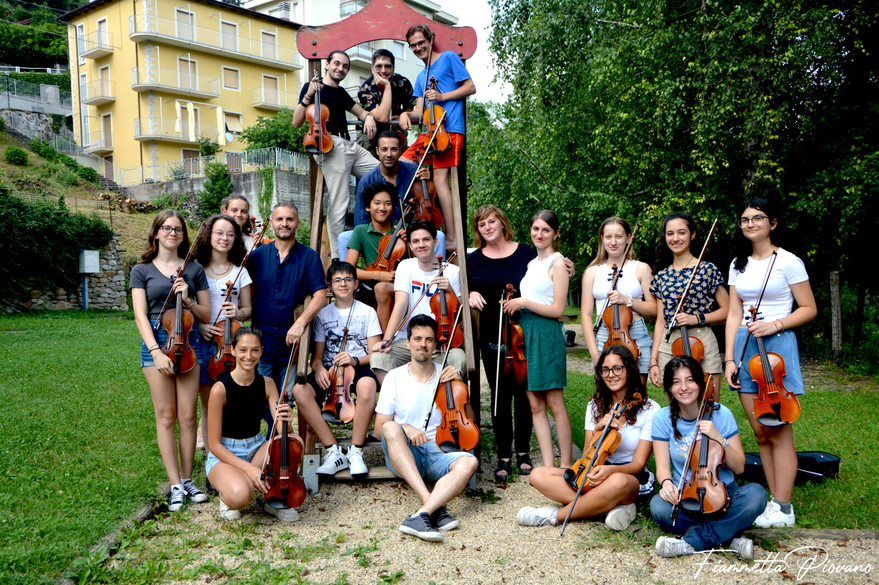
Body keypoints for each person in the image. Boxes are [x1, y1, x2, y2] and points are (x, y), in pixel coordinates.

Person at [724, 198, 817, 528]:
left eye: (757, 218)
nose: (750, 224)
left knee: (780, 430)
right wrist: (729, 359)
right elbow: (735, 313)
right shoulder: (738, 264)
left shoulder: (788, 262)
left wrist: (775, 324)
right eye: (744, 219)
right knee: (761, 431)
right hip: (745, 348)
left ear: (772, 223)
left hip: (777, 350)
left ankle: (784, 506)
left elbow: (808, 308)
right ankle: (774, 503)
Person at [516, 346, 659, 531]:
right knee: (538, 475)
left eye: (617, 368)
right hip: (594, 474)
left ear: (629, 370)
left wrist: (609, 472)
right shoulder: (594, 406)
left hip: (629, 478)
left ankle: (554, 517)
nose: (611, 375)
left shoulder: (649, 409)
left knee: (618, 482)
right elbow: (586, 456)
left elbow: (639, 464)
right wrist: (598, 429)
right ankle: (605, 507)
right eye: (605, 370)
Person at [131, 210, 211, 511]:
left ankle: (189, 480)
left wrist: (188, 297)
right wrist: (154, 351)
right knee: (165, 416)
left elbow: (205, 313)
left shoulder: (194, 269)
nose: (172, 233)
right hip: (156, 345)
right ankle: (175, 484)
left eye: (178, 229)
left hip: (189, 344)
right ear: (156, 233)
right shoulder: (141, 270)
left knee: (188, 416)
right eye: (166, 228)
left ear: (183, 236)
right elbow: (140, 315)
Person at [374, 314, 479, 542]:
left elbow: (468, 420)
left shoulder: (447, 375)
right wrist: (408, 428)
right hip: (405, 454)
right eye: (418, 338)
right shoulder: (394, 378)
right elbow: (379, 428)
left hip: (437, 451)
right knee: (392, 427)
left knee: (470, 461)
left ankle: (422, 514)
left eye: (429, 340)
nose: (423, 344)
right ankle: (432, 503)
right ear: (408, 343)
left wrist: (459, 386)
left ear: (435, 344)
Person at [651, 356, 766, 559]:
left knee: (756, 495)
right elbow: (662, 467)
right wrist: (667, 483)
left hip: (723, 497)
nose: (684, 387)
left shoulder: (722, 415)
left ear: (700, 383)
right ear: (669, 388)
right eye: (676, 382)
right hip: (685, 497)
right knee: (658, 507)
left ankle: (689, 543)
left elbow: (739, 467)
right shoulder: (662, 418)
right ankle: (729, 537)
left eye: (690, 380)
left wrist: (720, 439)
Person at [292, 261, 382, 479]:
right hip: (331, 372)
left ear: (356, 284)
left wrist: (353, 359)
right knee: (299, 391)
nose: (343, 284)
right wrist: (319, 367)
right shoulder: (323, 314)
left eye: (348, 279)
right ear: (329, 287)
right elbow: (318, 356)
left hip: (358, 366)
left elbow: (375, 354)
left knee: (368, 385)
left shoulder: (368, 312)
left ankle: (356, 451)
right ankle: (333, 450)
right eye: (337, 280)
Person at [205, 327, 300, 522]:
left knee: (293, 441)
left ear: (261, 351)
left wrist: (287, 421)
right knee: (242, 497)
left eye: (255, 350)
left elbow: (281, 431)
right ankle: (228, 494)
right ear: (233, 350)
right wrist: (249, 470)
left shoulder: (267, 384)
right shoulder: (219, 389)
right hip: (225, 454)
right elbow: (214, 445)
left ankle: (272, 499)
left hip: (256, 448)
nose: (249, 356)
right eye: (243, 350)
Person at [293, 50, 379, 259]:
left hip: (349, 145)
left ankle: (371, 233)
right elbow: (296, 122)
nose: (341, 68)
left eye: (345, 66)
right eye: (337, 64)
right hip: (329, 146)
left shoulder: (341, 93)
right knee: (339, 204)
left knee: (382, 173)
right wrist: (308, 95)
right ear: (328, 65)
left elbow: (359, 111)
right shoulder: (312, 88)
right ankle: (338, 260)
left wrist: (368, 117)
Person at [247, 201, 328, 424]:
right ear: (272, 223)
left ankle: (284, 446)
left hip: (291, 345)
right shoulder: (257, 257)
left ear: (297, 224)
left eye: (289, 219)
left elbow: (320, 295)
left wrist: (300, 323)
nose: (284, 223)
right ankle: (271, 445)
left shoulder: (309, 257)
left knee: (286, 399)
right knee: (262, 396)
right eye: (280, 219)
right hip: (261, 342)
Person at [503, 210, 572, 468]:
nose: (539, 234)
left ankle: (565, 465)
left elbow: (558, 309)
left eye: (545, 230)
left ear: (555, 233)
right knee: (534, 404)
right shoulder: (533, 263)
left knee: (555, 402)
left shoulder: (558, 263)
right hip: (526, 333)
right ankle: (548, 466)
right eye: (535, 229)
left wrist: (523, 302)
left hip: (546, 332)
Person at [399, 24, 476, 253]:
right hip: (428, 133)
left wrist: (443, 96)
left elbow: (471, 87)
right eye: (413, 45)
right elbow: (418, 113)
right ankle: (425, 212)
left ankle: (452, 237)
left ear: (430, 40)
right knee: (403, 163)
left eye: (421, 42)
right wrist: (405, 114)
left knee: (442, 180)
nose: (418, 48)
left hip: (449, 132)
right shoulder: (421, 77)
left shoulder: (450, 58)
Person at [371, 221, 465, 385]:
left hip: (441, 341)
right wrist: (387, 340)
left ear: (435, 242)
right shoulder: (406, 266)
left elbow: (460, 313)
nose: (421, 245)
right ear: (410, 246)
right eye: (416, 241)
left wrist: (450, 290)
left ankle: (442, 404)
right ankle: (400, 401)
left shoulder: (452, 271)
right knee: (379, 357)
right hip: (410, 342)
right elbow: (401, 304)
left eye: (426, 240)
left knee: (459, 358)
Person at [191, 214, 252, 451]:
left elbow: (248, 310)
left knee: (233, 403)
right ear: (209, 235)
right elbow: (186, 308)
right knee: (208, 406)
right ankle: (211, 457)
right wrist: (200, 325)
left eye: (230, 234)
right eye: (219, 233)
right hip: (205, 343)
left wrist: (237, 312)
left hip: (230, 345)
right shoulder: (197, 270)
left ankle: (234, 451)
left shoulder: (240, 272)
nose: (224, 238)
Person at [650, 214, 728, 398]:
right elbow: (661, 321)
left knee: (709, 399)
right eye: (670, 233)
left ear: (692, 235)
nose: (675, 238)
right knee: (677, 403)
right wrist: (654, 360)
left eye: (681, 232)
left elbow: (728, 310)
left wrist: (697, 318)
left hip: (702, 338)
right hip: (670, 343)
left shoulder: (707, 269)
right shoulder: (661, 276)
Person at [581, 217, 657, 384]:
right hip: (603, 333)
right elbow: (586, 315)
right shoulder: (592, 272)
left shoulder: (641, 268)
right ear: (602, 238)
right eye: (608, 237)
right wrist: (594, 353)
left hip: (634, 333)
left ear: (629, 238)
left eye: (619, 236)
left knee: (637, 390)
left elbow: (654, 309)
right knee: (607, 390)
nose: (613, 242)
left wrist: (628, 300)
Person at [345, 131, 446, 256]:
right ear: (377, 151)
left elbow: (430, 203)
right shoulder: (367, 181)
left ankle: (436, 272)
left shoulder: (414, 172)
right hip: (380, 234)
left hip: (411, 232)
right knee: (343, 238)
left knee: (439, 236)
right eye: (384, 149)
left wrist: (428, 181)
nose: (389, 154)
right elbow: (361, 221)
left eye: (393, 149)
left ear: (400, 151)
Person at [345, 181, 401, 328]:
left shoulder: (401, 232)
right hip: (370, 289)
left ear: (394, 207)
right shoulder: (361, 231)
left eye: (388, 203)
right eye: (377, 203)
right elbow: (349, 269)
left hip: (399, 288)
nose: (382, 208)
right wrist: (379, 275)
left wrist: (410, 243)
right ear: (368, 207)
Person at [357, 48, 415, 155]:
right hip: (370, 132)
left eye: (388, 66)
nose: (383, 70)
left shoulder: (403, 83)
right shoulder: (366, 88)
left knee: (400, 165)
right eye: (378, 66)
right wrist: (387, 86)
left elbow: (409, 107)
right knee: (372, 168)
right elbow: (382, 118)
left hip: (395, 128)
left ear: (393, 68)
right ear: (372, 69)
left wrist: (404, 114)